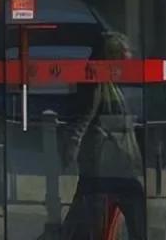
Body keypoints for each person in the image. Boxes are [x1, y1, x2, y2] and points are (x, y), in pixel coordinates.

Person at [60, 32, 146, 240]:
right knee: (106, 216)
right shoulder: (96, 86)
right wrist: (71, 152)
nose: (125, 70)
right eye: (122, 63)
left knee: (84, 218)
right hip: (106, 168)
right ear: (110, 60)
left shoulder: (111, 85)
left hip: (112, 166)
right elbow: (82, 121)